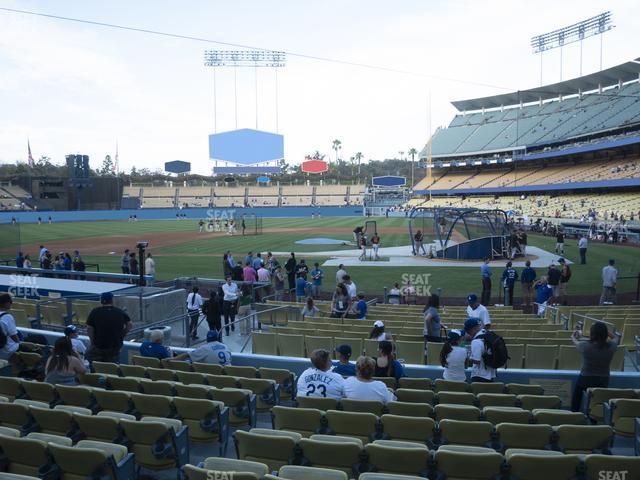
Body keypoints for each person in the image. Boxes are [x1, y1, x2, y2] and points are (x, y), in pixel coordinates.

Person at [570, 322, 620, 412]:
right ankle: (594, 418)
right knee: (598, 400)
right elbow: (616, 337)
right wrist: (606, 332)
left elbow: (574, 340)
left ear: (592, 333)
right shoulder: (611, 347)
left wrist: (574, 335)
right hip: (603, 380)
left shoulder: (584, 346)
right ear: (605, 334)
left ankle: (574, 413)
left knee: (576, 397)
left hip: (585, 378)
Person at [86, 292, 131, 363]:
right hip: (114, 347)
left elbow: (89, 328)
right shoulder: (120, 312)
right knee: (111, 368)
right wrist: (122, 335)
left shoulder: (95, 311)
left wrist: (92, 342)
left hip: (98, 346)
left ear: (101, 300)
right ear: (112, 300)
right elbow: (129, 324)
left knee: (91, 361)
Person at [464, 318, 496, 383]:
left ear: (473, 328)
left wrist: (467, 358)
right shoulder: (487, 334)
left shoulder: (476, 341)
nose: (468, 333)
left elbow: (477, 361)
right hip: (491, 373)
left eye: (468, 330)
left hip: (480, 376)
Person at [0, 293, 22, 360]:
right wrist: (20, 343)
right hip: (6, 351)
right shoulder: (7, 317)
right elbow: (14, 337)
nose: (11, 303)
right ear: (6, 303)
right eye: (10, 302)